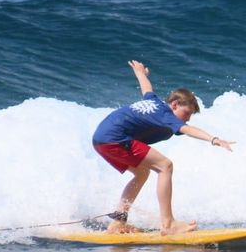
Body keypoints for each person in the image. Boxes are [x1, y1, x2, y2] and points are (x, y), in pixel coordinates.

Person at [92, 60, 234, 235]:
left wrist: (140, 73)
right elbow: (188, 130)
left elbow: (147, 89)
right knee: (165, 166)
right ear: (175, 104)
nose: (187, 118)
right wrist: (214, 139)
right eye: (186, 113)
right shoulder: (165, 114)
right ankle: (168, 224)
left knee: (142, 173)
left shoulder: (154, 102)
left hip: (101, 139)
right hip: (115, 138)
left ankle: (118, 222)